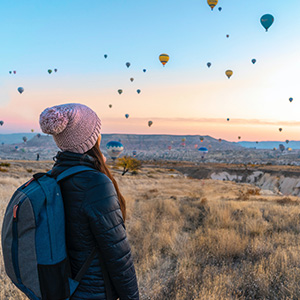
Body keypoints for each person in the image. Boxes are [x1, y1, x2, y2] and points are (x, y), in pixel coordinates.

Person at [39, 103, 139, 300]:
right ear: (92, 139)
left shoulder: (55, 176)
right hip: (94, 292)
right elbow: (118, 255)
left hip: (64, 288)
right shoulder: (95, 183)